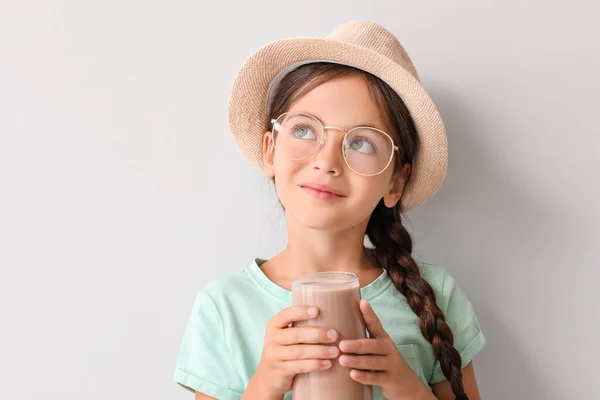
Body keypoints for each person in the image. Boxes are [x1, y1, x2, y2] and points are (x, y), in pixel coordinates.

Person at [173, 20, 486, 400]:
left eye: (363, 143)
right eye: (304, 130)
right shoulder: (225, 305)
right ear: (270, 150)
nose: (327, 161)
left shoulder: (435, 296)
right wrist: (267, 381)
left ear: (395, 183)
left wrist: (406, 387)